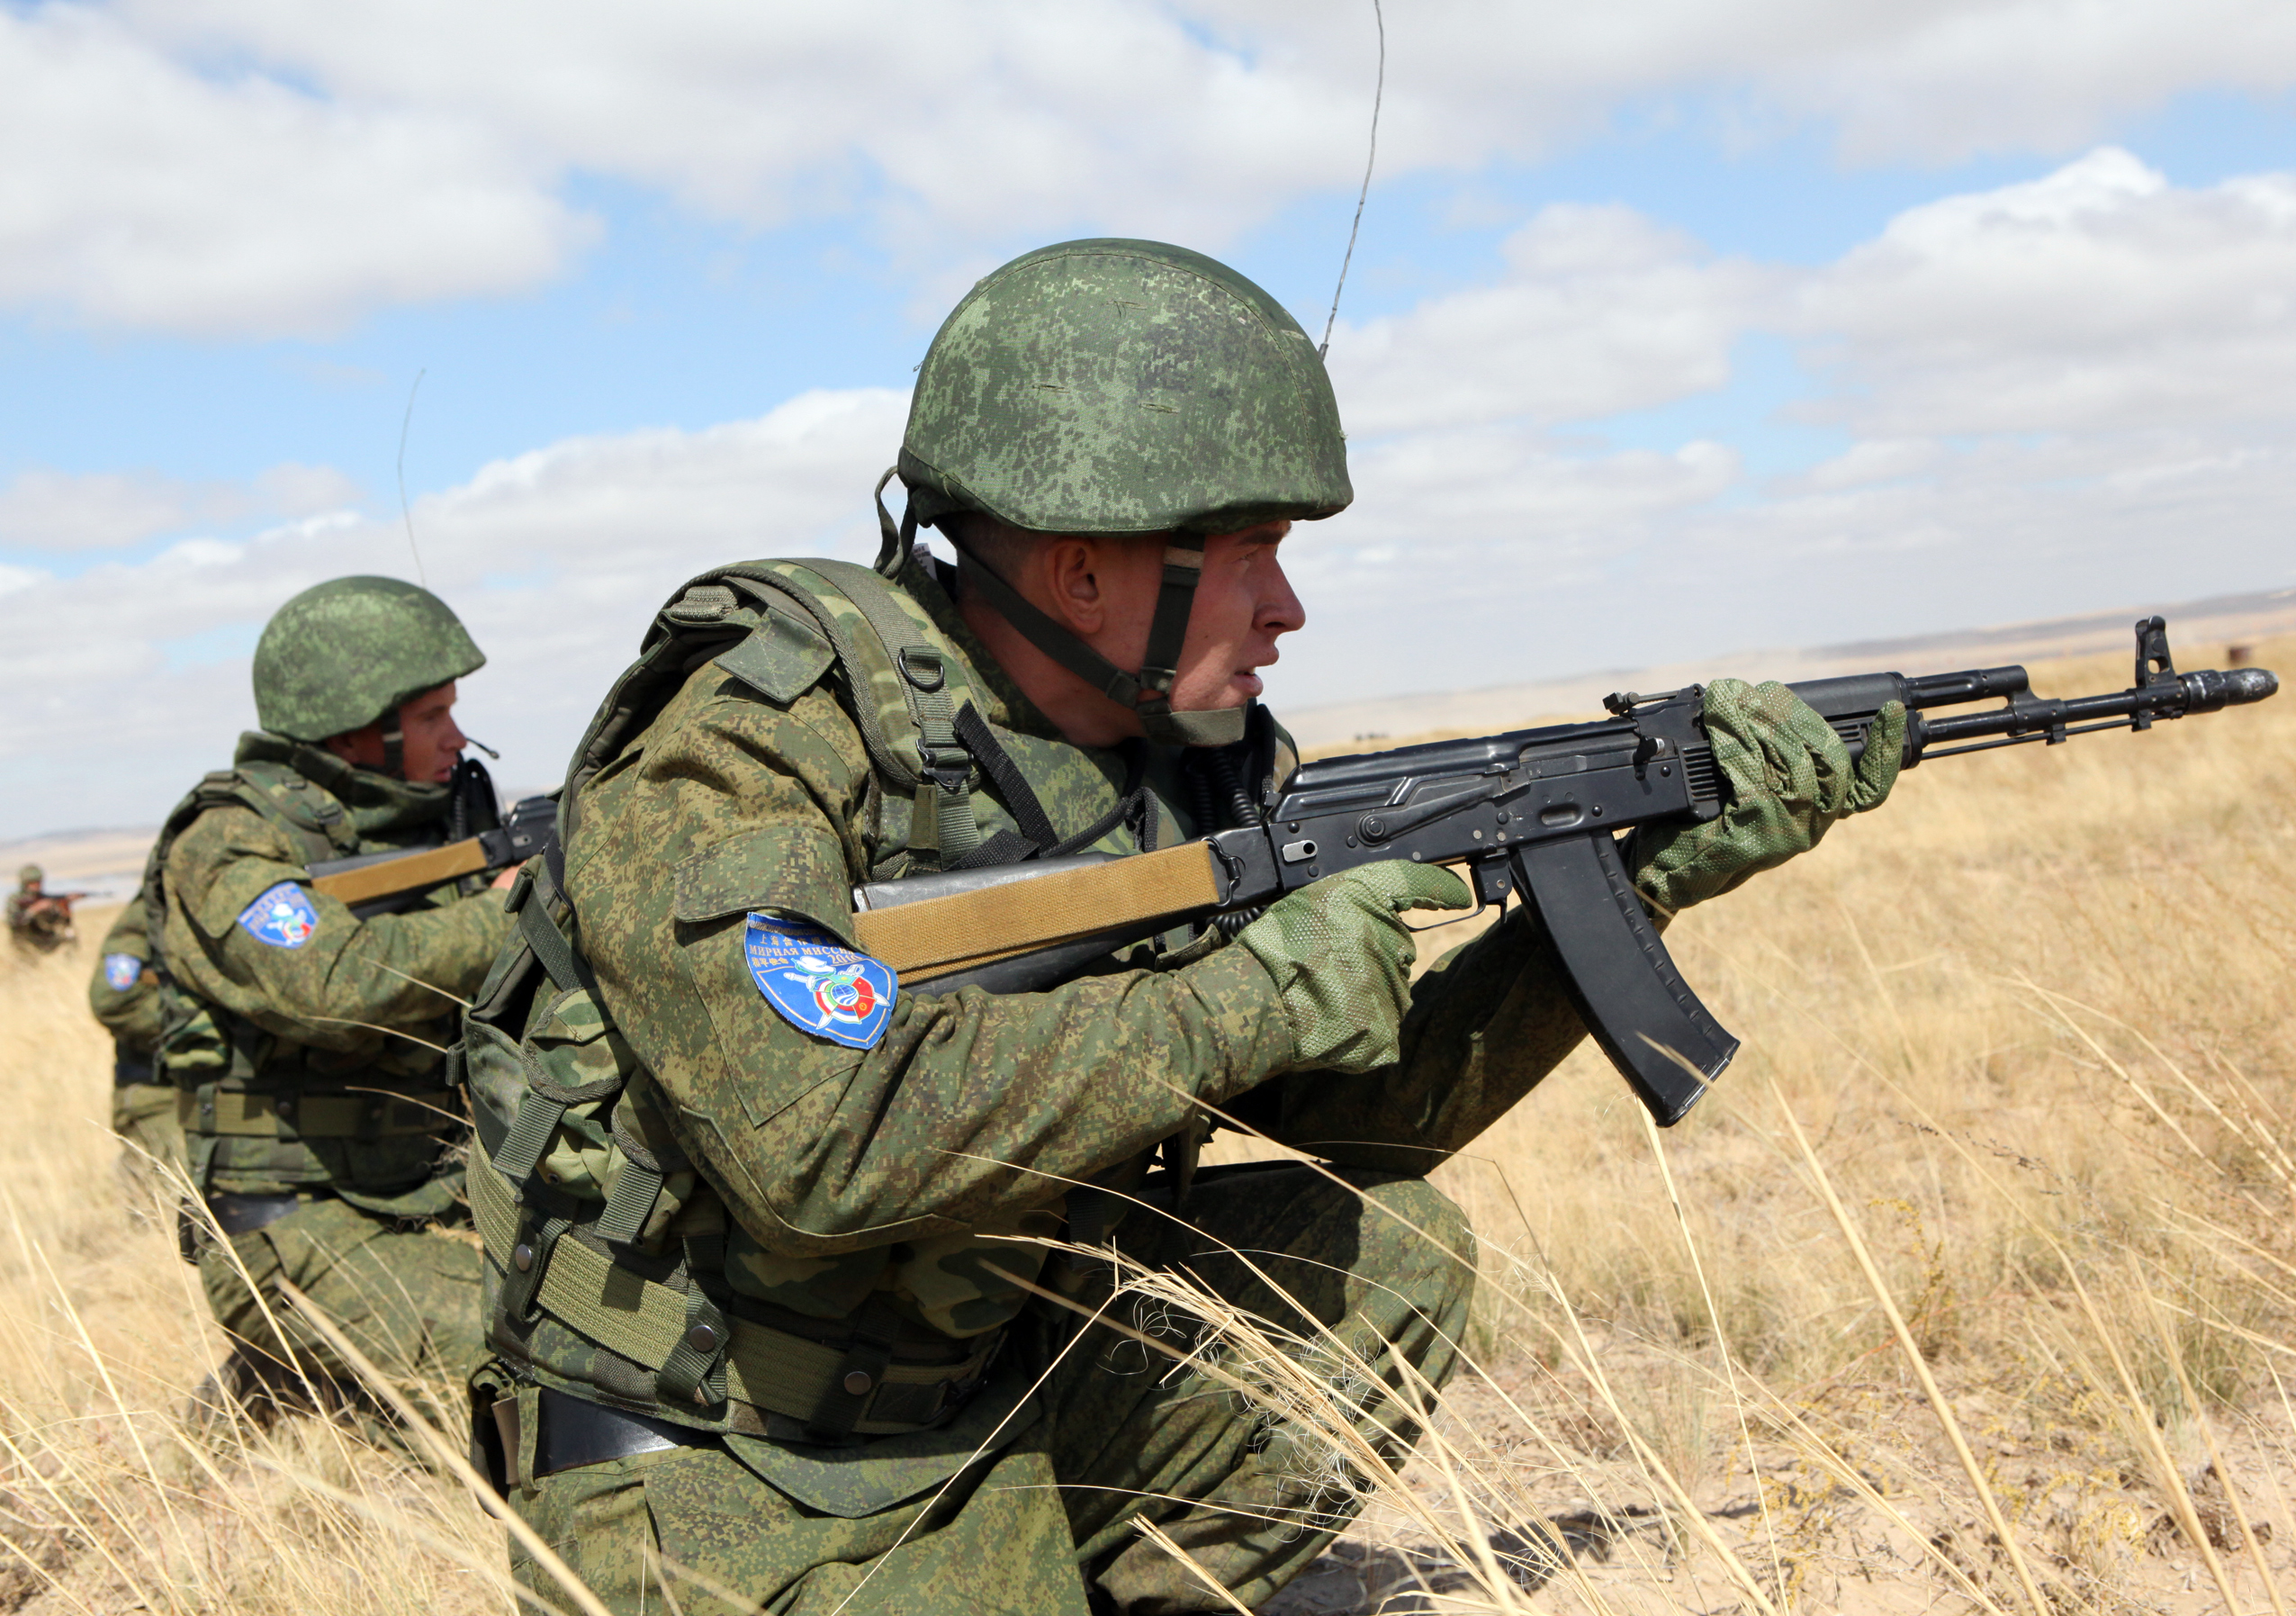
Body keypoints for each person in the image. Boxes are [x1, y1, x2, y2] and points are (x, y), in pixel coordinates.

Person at [461, 239, 1904, 1614]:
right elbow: (815, 1148)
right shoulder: (756, 727)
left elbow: (1371, 1118)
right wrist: (1254, 994)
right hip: (734, 1461)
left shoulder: (1204, 760)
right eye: (1250, 552)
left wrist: (1640, 877)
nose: (1286, 604)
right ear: (1085, 566)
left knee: (1379, 1248)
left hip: (986, 1358)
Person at [148, 575, 517, 1424]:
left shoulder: (428, 823)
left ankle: (307, 1391)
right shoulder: (230, 839)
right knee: (536, 1354)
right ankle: (294, 1382)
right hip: (289, 1230)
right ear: (358, 726)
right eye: (432, 717)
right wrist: (505, 915)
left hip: (422, 1197)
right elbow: (330, 987)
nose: (457, 737)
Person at [86, 893, 182, 1206]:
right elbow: (112, 1001)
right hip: (157, 1092)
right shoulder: (149, 913)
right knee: (160, 1203)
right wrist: (198, 1020)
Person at [6, 864, 78, 951]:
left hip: (46, 940)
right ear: (25, 883)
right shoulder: (15, 899)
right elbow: (13, 921)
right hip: (24, 942)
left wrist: (63, 906)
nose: (37, 885)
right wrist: (33, 910)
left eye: (38, 882)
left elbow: (56, 921)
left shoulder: (45, 898)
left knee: (70, 937)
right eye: (32, 883)